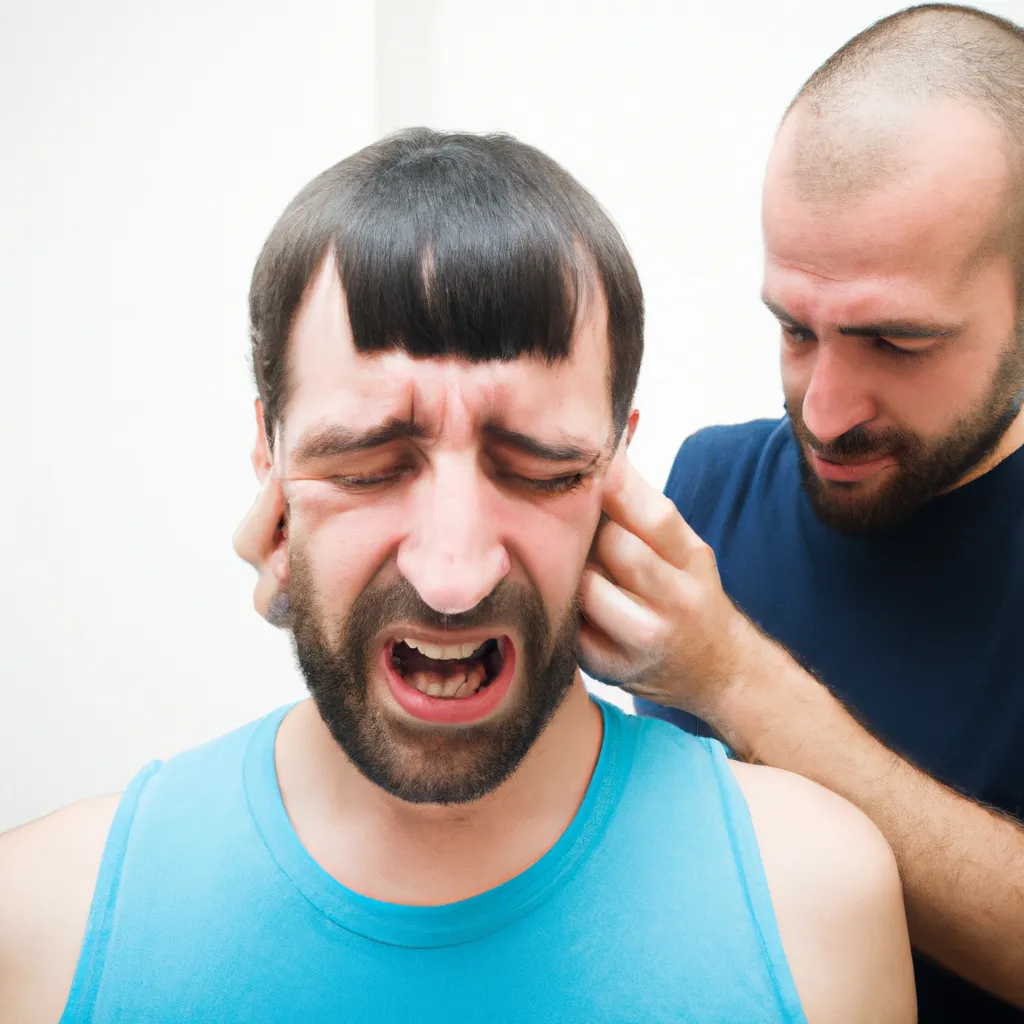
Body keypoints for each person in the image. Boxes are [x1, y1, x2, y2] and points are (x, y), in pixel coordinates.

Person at [0, 130, 914, 1023]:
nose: (452, 576)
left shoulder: (819, 901)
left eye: (539, 467)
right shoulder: (40, 920)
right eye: (364, 464)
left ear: (615, 477)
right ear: (268, 462)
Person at [233, 5, 1024, 1022]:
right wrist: (355, 589)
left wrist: (733, 676)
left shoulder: (715, 628)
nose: (823, 409)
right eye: (793, 328)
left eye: (896, 343)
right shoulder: (711, 486)